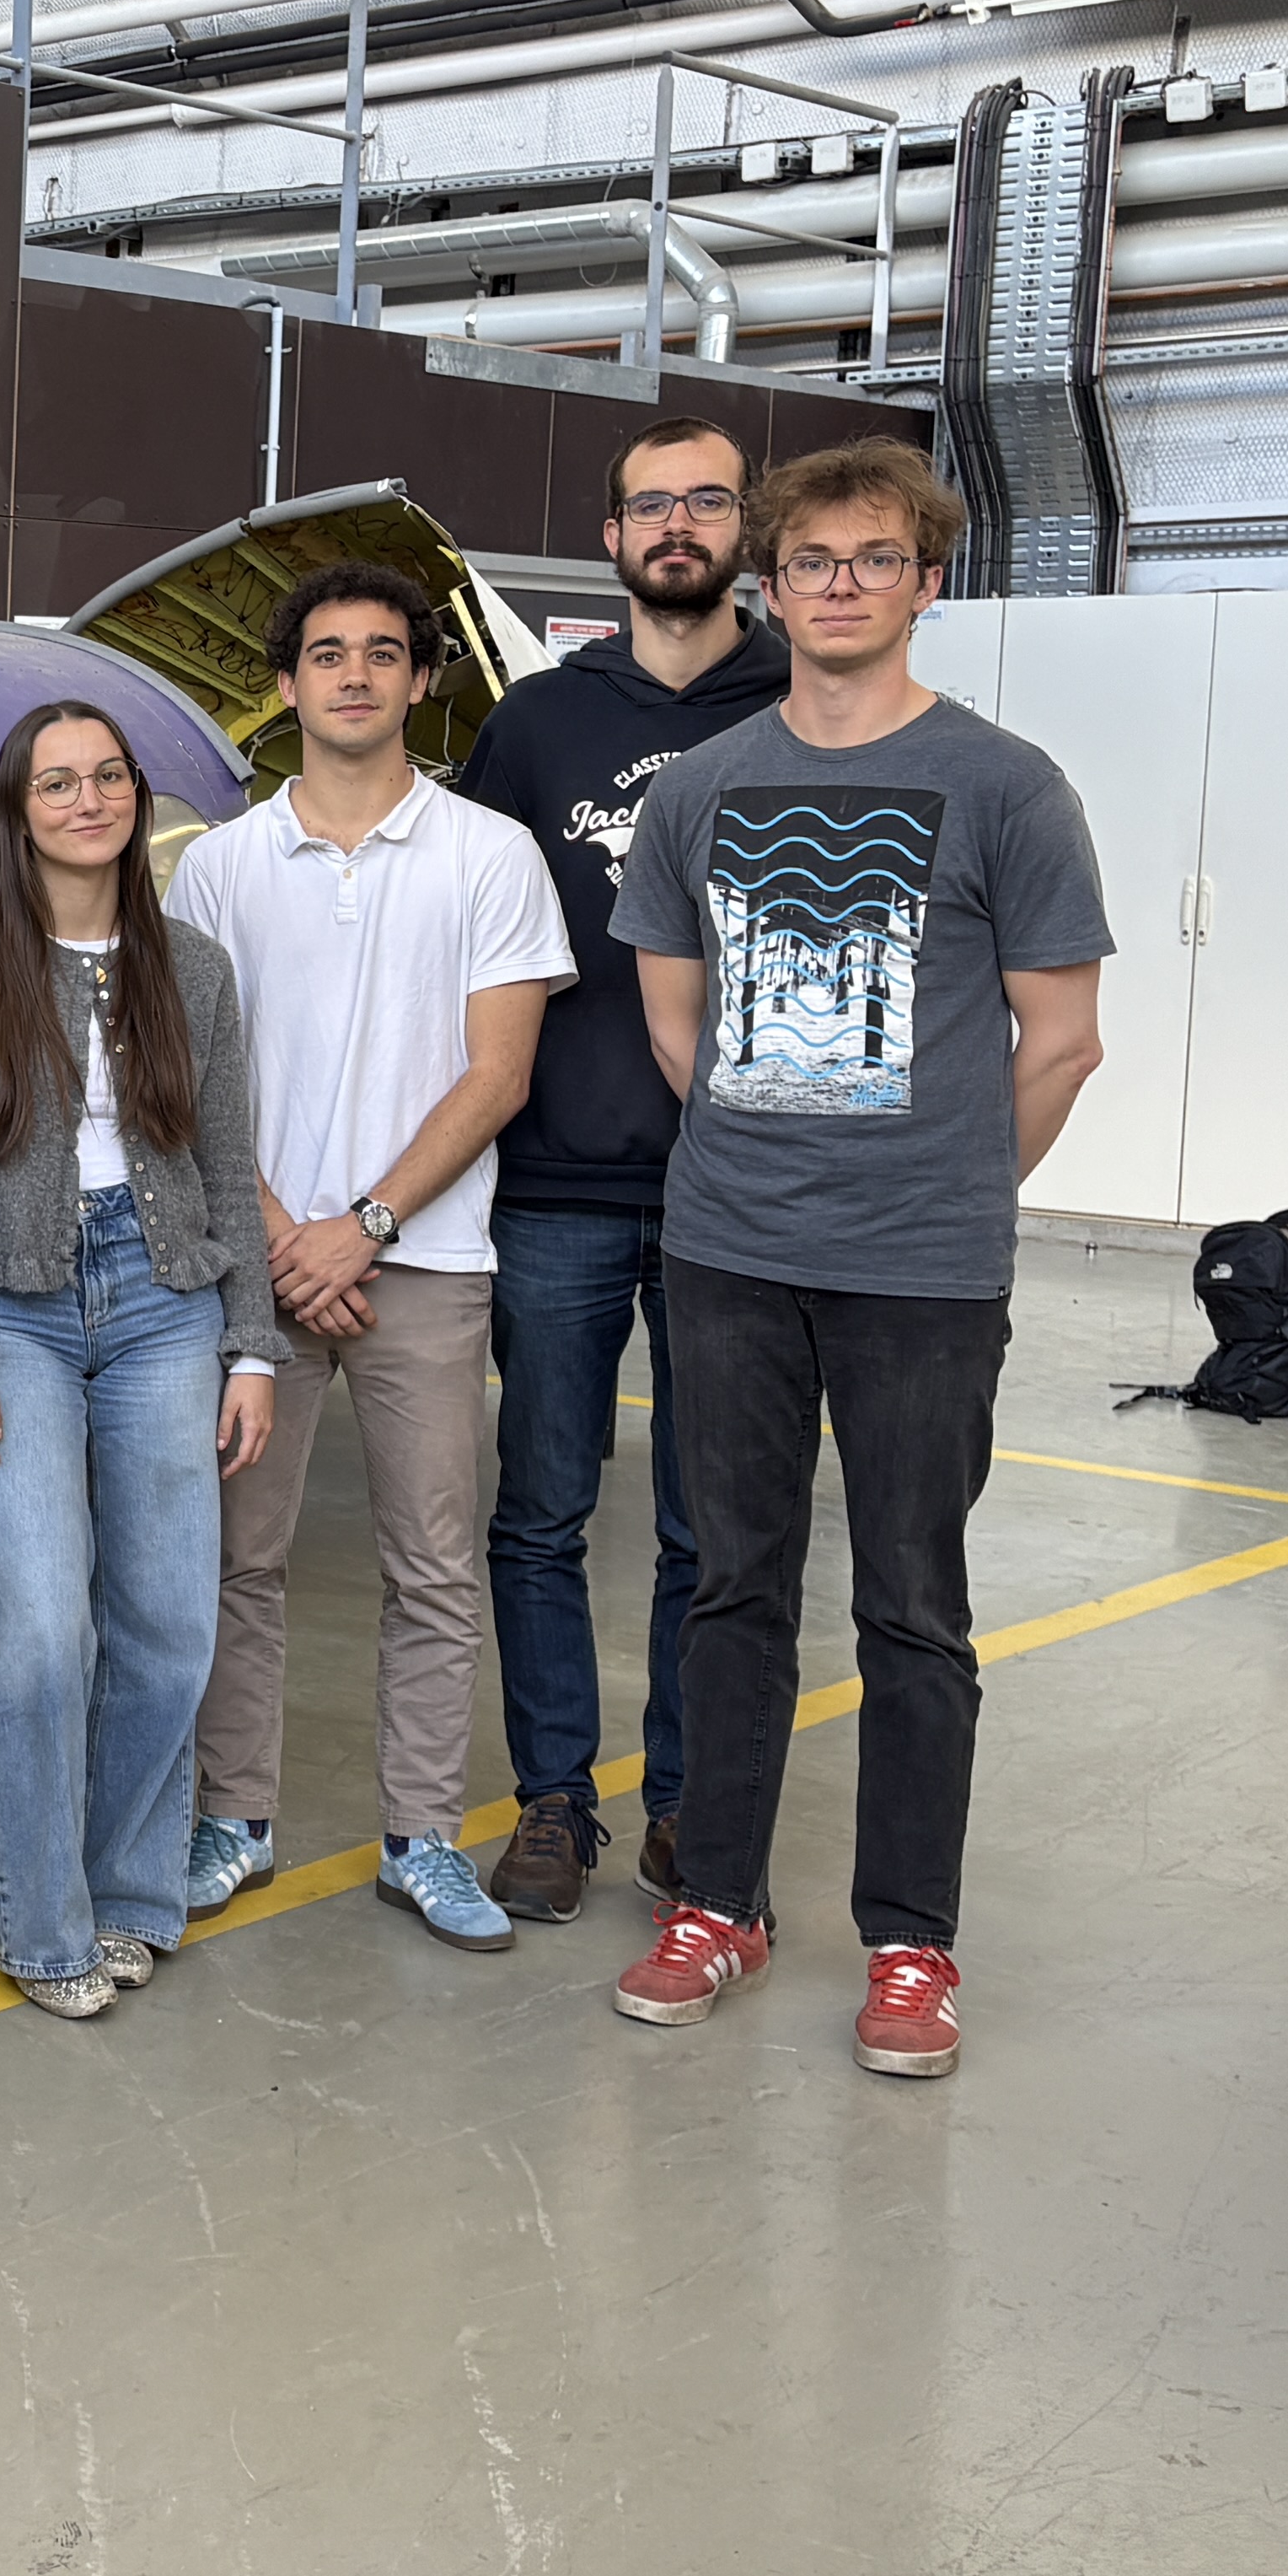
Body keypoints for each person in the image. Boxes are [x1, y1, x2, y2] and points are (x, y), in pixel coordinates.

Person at [605, 439, 1108, 2082]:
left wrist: (945, 1184)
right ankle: (723, 1907)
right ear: (770, 583)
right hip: (731, 1254)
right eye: (809, 559)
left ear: (925, 582)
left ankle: (911, 1943)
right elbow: (676, 1019)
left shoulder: (1007, 786)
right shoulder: (700, 789)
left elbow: (1063, 1039)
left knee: (913, 1608)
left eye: (871, 558)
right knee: (733, 1588)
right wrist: (777, 1153)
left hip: (925, 1272)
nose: (837, 583)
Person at [165, 561, 573, 1953]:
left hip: (429, 1267)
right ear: (286, 687)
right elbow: (198, 1083)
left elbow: (499, 1072)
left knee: (436, 1568)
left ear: (419, 680)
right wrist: (286, 1240)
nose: (354, 675)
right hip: (258, 1272)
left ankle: (422, 1839)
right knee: (238, 1560)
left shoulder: (490, 856)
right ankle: (236, 1820)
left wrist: (367, 1228)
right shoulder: (218, 869)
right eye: (327, 654)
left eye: (382, 653)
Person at [450, 415, 792, 1923]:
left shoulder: (809, 700)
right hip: (557, 1187)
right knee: (538, 1512)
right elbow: (464, 940)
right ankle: (550, 1803)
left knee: (709, 1529)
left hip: (744, 1192)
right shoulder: (535, 724)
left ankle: (681, 1809)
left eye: (706, 502)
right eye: (651, 505)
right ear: (610, 538)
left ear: (745, 529)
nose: (678, 526)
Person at [0, 703, 282, 2018]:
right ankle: (44, 1925)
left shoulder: (199, 969)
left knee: (171, 1625)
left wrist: (252, 1345)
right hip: (17, 1309)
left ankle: (129, 1894)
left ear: (135, 798)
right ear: (19, 811)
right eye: (56, 782)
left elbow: (228, 1165)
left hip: (169, 1298)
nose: (87, 799)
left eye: (106, 776)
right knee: (45, 1626)